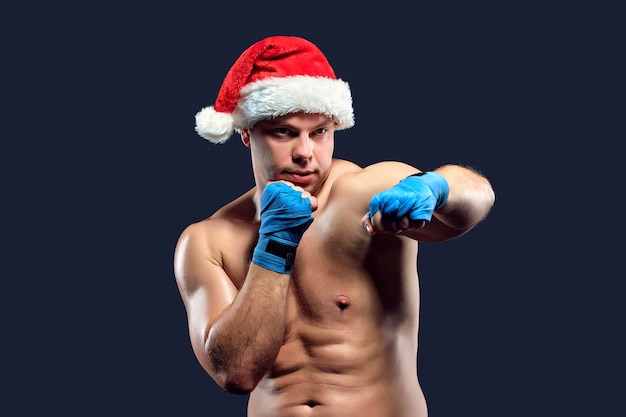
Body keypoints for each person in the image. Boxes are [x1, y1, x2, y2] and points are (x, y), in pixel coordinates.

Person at [174, 35, 495, 417]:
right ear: (247, 133)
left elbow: (478, 197)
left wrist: (436, 186)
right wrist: (275, 243)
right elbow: (235, 373)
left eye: (320, 132)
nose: (305, 153)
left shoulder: (363, 192)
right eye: (284, 132)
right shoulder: (208, 241)